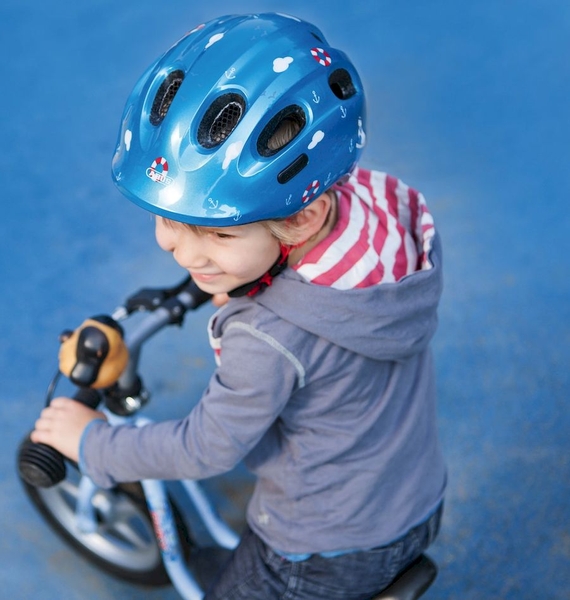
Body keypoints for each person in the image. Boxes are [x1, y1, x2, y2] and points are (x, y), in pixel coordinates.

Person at [31, 13, 446, 599]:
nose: (178, 250)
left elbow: (206, 447)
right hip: (416, 499)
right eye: (169, 219)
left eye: (218, 233)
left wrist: (90, 442)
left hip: (320, 551)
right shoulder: (377, 212)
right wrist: (233, 264)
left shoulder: (266, 340)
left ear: (302, 217)